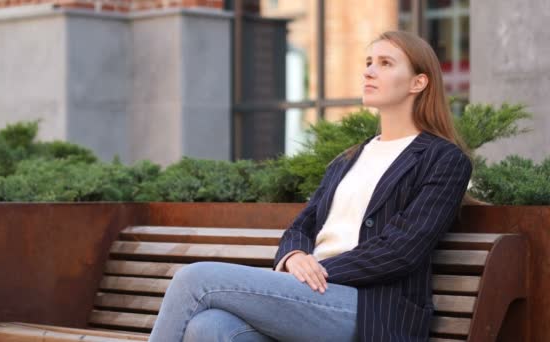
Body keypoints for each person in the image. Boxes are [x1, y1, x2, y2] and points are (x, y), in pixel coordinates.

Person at [148, 30, 473, 342]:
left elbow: (402, 251)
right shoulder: (348, 159)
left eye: (385, 64)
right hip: (311, 299)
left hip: (369, 307)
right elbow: (301, 225)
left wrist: (316, 269)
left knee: (194, 280)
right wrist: (292, 257)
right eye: (368, 62)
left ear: (419, 82)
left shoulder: (443, 159)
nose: (370, 72)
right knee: (208, 327)